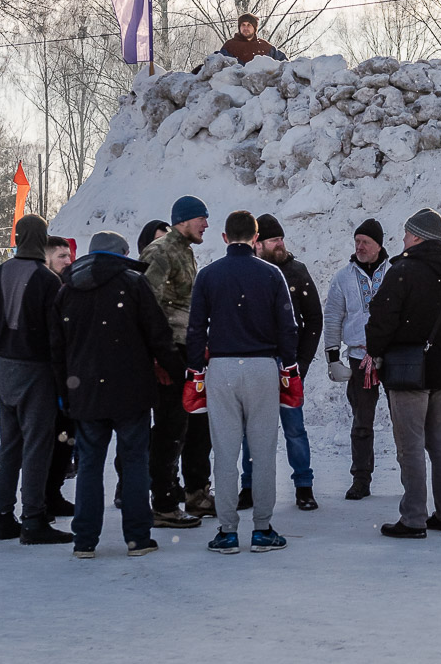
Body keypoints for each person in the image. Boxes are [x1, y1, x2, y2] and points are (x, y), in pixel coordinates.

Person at [50, 231, 178, 559]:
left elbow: (57, 349)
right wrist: (177, 371)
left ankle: (84, 541)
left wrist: (64, 393)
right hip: (131, 390)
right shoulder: (133, 284)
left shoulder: (67, 290)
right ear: (121, 254)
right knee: (135, 462)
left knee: (89, 465)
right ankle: (137, 538)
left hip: (85, 392)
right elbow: (158, 334)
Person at [186, 210, 299, 555]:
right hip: (262, 367)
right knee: (263, 453)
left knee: (224, 452)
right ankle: (262, 529)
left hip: (221, 368)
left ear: (224, 238)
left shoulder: (208, 275)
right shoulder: (272, 274)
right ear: (255, 238)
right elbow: (288, 327)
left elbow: (195, 328)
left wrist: (195, 370)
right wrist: (289, 367)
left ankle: (227, 531)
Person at [364, 208, 441, 539]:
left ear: (416, 236)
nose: (402, 239)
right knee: (440, 441)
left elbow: (381, 320)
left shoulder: (403, 271)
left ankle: (413, 518)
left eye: (406, 234)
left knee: (410, 445)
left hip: (406, 371)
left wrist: (378, 350)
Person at [0, 215, 73, 545]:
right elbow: (56, 333)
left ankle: (3, 517)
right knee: (37, 444)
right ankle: (33, 518)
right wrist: (62, 377)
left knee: (9, 446)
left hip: (4, 366)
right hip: (36, 367)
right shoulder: (46, 278)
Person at [142, 196, 212, 527]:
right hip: (168, 352)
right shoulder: (160, 251)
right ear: (183, 220)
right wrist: (160, 357)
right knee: (169, 430)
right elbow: (148, 306)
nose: (206, 225)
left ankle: (190, 494)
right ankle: (164, 505)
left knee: (189, 426)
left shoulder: (184, 251)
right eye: (201, 218)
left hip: (186, 350)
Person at [249, 213, 323, 512]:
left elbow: (314, 319)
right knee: (252, 430)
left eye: (281, 238)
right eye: (273, 240)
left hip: (288, 364)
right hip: (256, 362)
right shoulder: (248, 271)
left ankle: (304, 486)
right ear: (257, 244)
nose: (280, 244)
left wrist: (302, 362)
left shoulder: (296, 271)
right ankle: (248, 487)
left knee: (294, 428)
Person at [322, 218, 391, 501]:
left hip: (393, 355)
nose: (360, 247)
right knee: (362, 421)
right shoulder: (343, 277)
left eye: (366, 242)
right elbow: (332, 316)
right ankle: (361, 478)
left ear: (379, 245)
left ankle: (411, 478)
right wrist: (332, 356)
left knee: (404, 418)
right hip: (359, 357)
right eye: (357, 241)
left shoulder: (395, 272)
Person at [41, 236, 77, 517]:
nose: (68, 260)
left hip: (66, 371)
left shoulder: (67, 286)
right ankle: (44, 496)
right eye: (62, 256)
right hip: (48, 373)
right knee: (51, 438)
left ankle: (52, 493)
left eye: (69, 255)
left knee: (65, 438)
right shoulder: (49, 286)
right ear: (47, 259)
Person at [219, 13, 287, 64]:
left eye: (249, 25)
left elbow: (285, 64)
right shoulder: (230, 46)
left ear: (254, 28)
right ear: (239, 27)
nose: (245, 28)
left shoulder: (264, 47)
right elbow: (218, 63)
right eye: (243, 25)